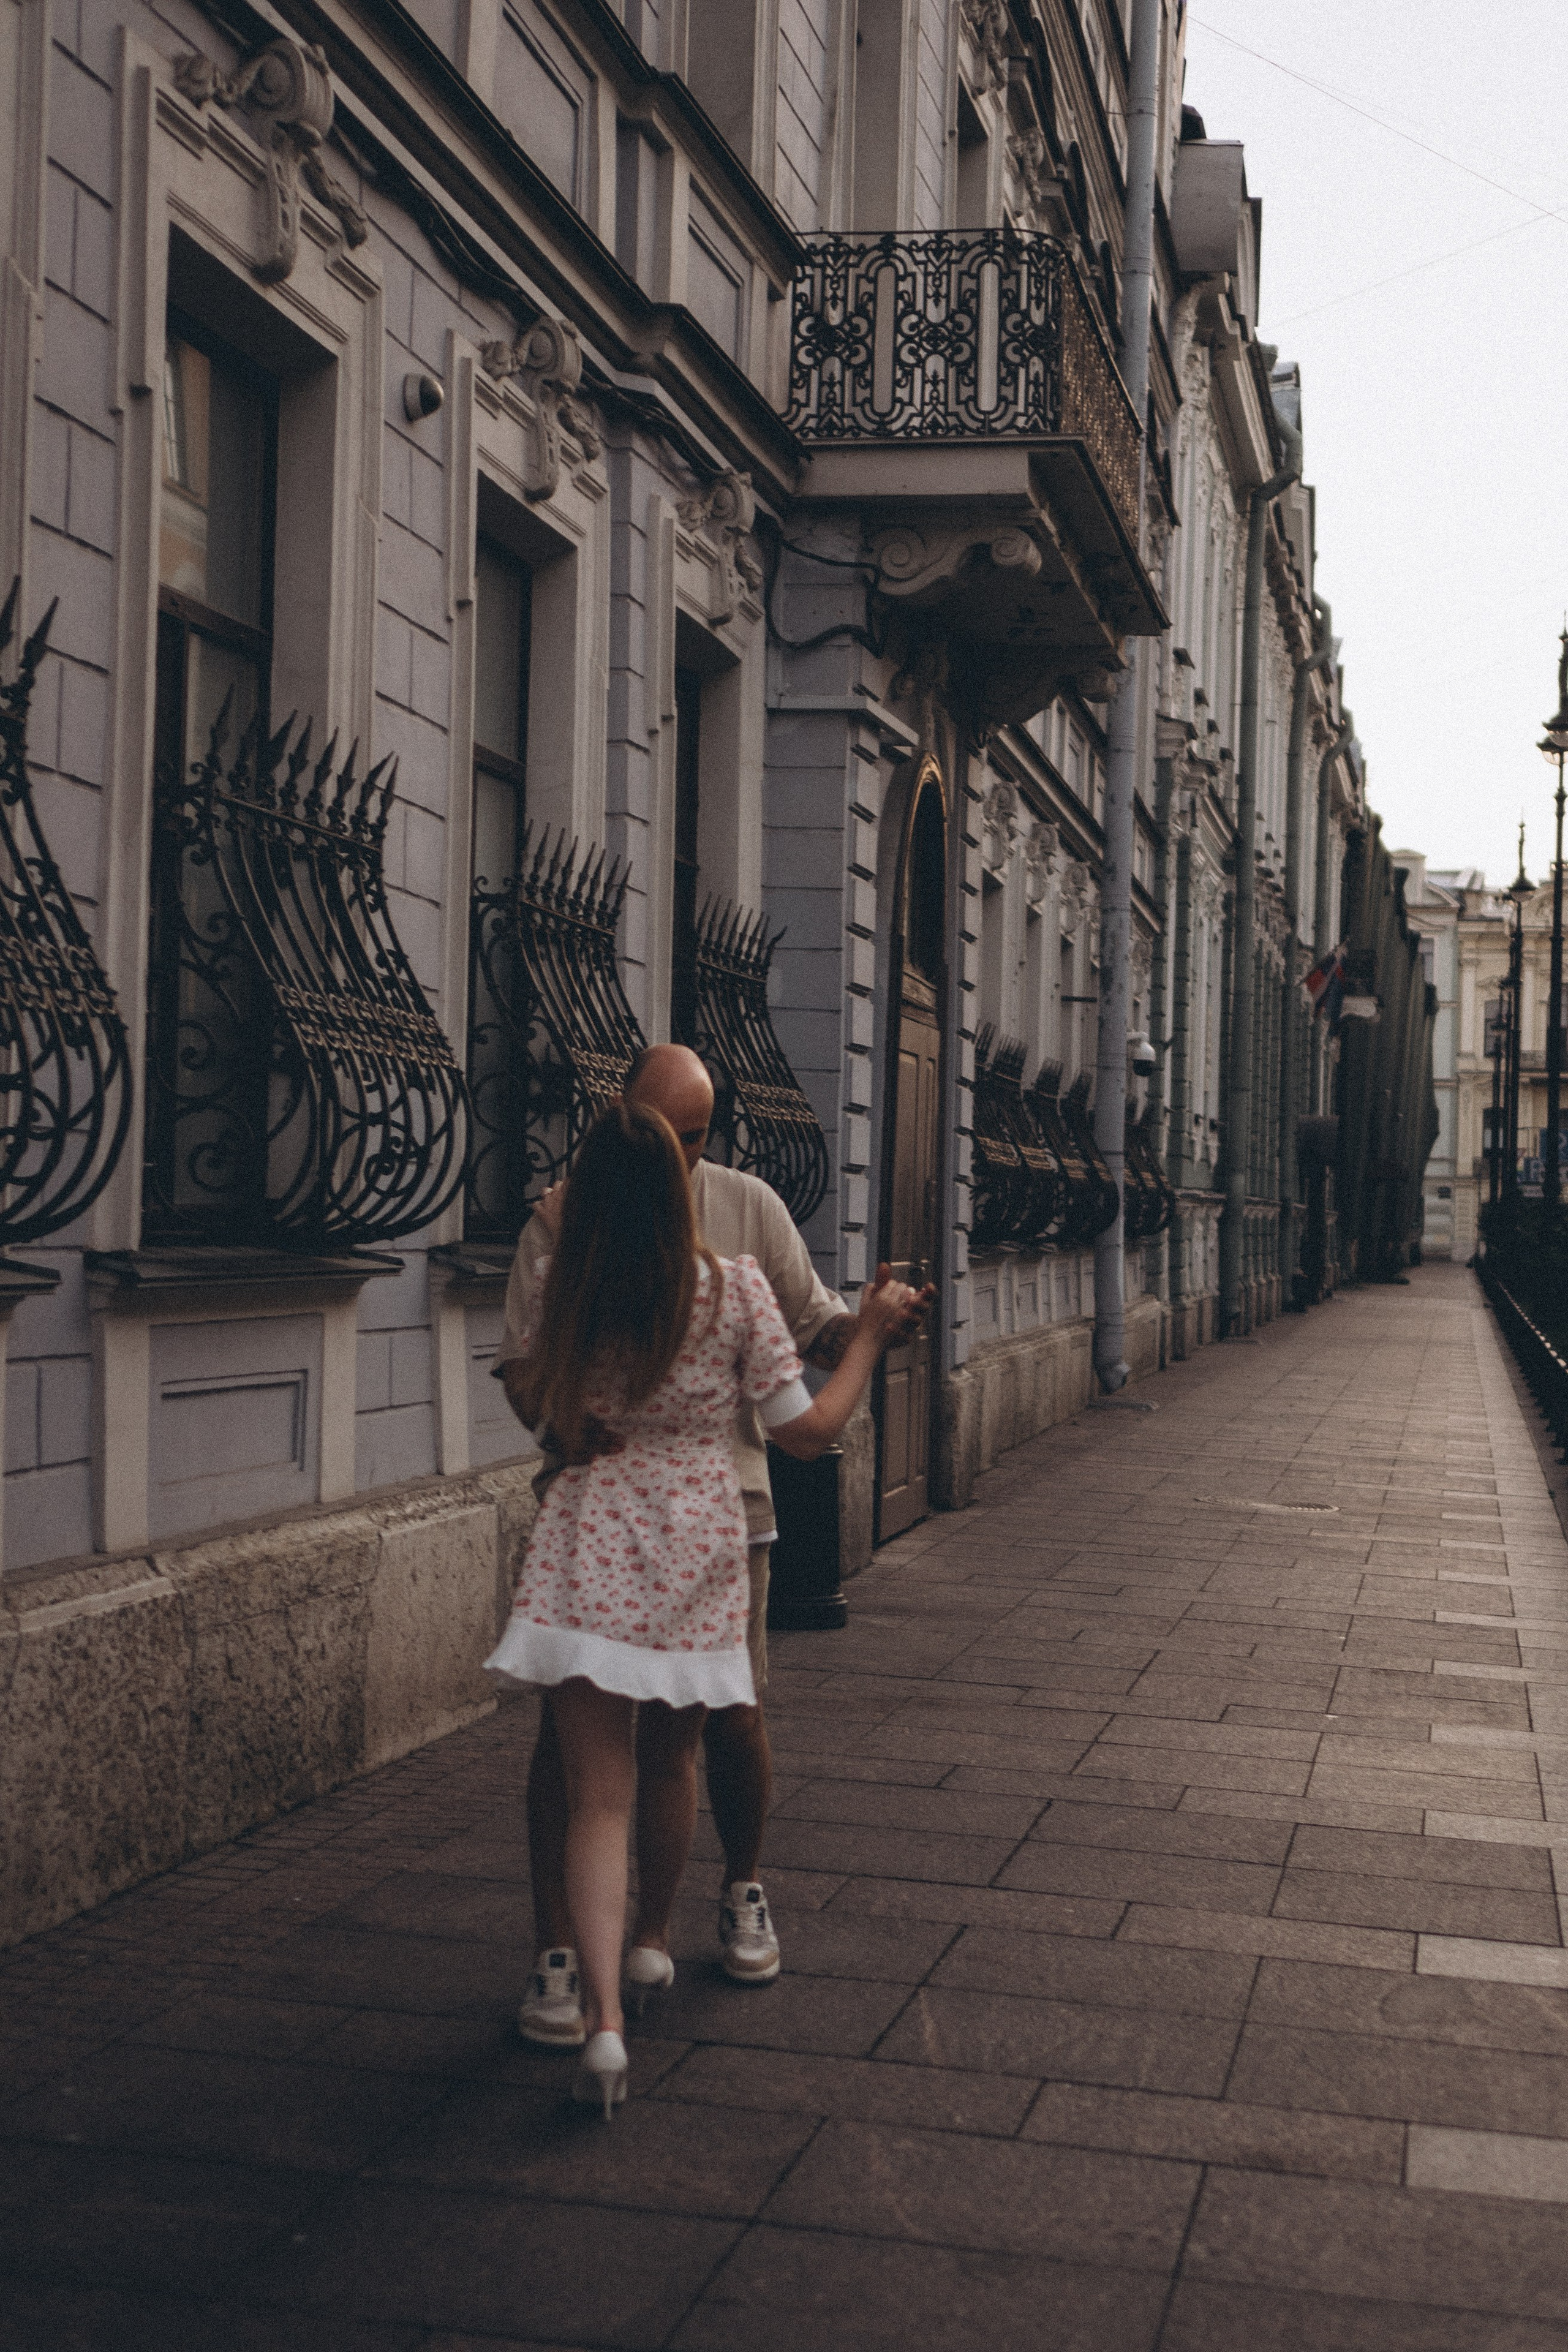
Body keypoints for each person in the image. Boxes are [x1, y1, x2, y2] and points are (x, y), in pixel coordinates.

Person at [484, 1098, 915, 2116]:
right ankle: (649, 1945)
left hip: (591, 1536)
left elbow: (540, 1396)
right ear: (683, 1186)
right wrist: (872, 1337)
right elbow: (806, 1433)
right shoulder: (734, 1292)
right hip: (693, 1543)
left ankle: (601, 2024)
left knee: (595, 1792)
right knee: (675, 1753)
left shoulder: (564, 1280)